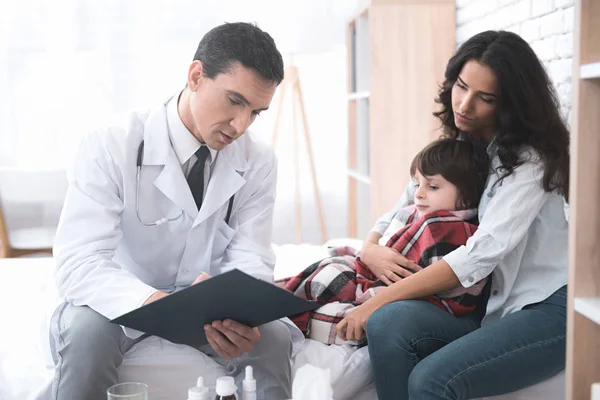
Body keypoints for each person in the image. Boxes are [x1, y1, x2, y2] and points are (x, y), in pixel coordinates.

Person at [49, 22, 297, 400]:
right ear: (196, 76)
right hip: (119, 299)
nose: (241, 125)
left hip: (208, 312)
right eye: (235, 101)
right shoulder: (111, 144)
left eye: (256, 112)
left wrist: (234, 311)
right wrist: (156, 304)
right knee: (86, 335)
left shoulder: (258, 161)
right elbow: (78, 262)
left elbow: (252, 259)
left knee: (274, 338)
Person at [337, 30, 570, 399]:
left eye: (485, 98)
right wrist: (370, 247)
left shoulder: (531, 162)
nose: (464, 105)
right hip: (489, 304)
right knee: (387, 323)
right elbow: (406, 201)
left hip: (548, 308)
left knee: (430, 380)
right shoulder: (467, 144)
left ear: (510, 105)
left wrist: (381, 297)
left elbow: (479, 254)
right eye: (461, 86)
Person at [284, 139, 489, 345]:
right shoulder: (415, 212)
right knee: (330, 271)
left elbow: (448, 289)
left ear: (467, 195)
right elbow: (386, 239)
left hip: (409, 295)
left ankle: (295, 318)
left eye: (433, 186)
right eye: (417, 184)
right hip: (372, 276)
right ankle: (289, 305)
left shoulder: (455, 231)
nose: (418, 193)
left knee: (337, 298)